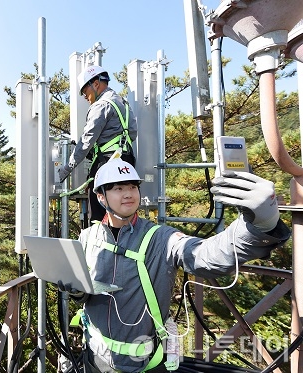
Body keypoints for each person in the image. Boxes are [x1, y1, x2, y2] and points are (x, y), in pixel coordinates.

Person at [63, 158, 290, 372]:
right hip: (94, 356)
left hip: (144, 363)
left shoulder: (160, 238)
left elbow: (204, 255)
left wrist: (259, 226)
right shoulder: (88, 237)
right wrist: (76, 292)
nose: (128, 194)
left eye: (132, 187)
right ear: (101, 197)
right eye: (118, 188)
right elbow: (86, 293)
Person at [58, 65, 137, 225]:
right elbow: (133, 133)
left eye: (85, 92)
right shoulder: (123, 103)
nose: (85, 97)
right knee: (124, 212)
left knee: (99, 214)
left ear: (96, 84)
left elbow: (87, 140)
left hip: (107, 164)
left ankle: (100, 248)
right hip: (127, 162)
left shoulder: (101, 105)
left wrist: (68, 167)